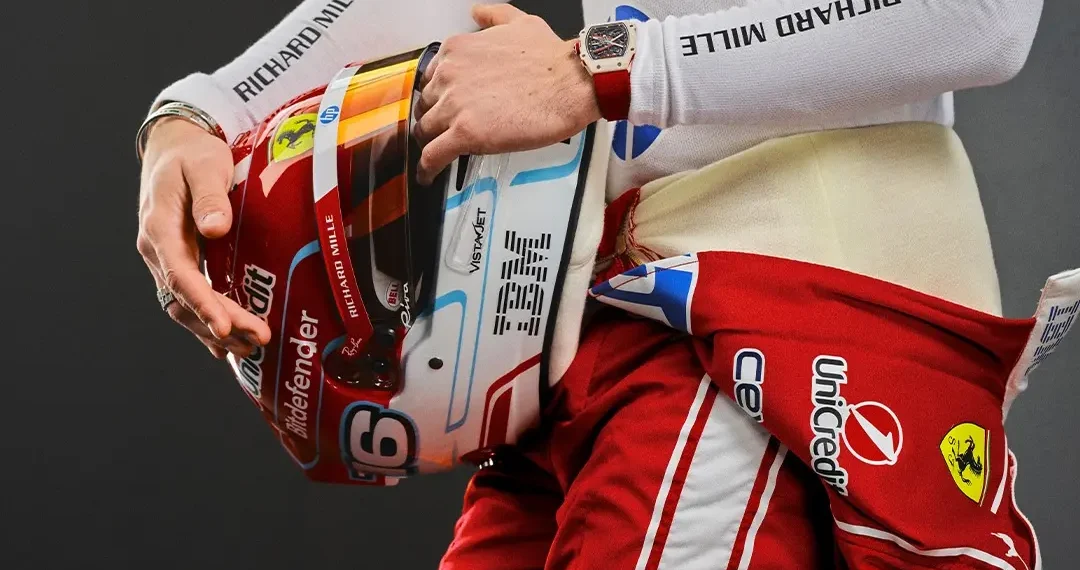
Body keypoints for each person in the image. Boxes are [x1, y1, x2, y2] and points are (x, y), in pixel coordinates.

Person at [135, 1, 1062, 568]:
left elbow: (979, 14)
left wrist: (608, 65)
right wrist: (202, 113)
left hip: (761, 344)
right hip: (616, 314)